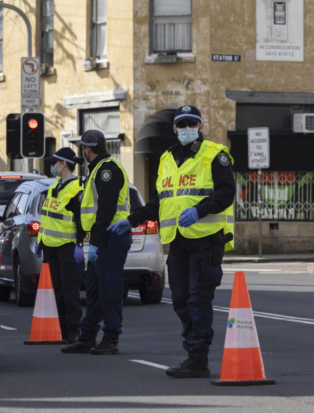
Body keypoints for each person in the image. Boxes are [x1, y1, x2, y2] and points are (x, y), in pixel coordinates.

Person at [108, 105, 235, 378]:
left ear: (200, 127)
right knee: (180, 299)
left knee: (198, 300)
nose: (187, 128)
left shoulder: (215, 155)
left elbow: (227, 193)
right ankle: (193, 351)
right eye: (182, 124)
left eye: (192, 124)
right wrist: (130, 220)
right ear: (175, 128)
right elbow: (159, 201)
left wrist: (200, 210)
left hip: (205, 239)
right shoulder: (166, 159)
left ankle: (198, 358)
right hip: (176, 242)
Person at [61, 130, 132, 355]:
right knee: (94, 290)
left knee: (110, 289)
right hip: (101, 238)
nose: (82, 151)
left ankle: (111, 338)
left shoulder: (107, 171)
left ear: (87, 149)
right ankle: (88, 336)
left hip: (110, 237)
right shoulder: (96, 170)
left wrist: (95, 243)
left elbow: (106, 211)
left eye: (82, 147)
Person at [35, 147, 85, 343]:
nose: (53, 166)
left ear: (63, 164)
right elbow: (47, 217)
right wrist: (40, 241)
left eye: (55, 163)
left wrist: (80, 244)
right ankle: (61, 328)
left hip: (68, 247)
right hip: (50, 247)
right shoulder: (54, 186)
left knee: (69, 291)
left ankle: (73, 330)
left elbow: (82, 220)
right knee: (56, 291)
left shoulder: (77, 189)